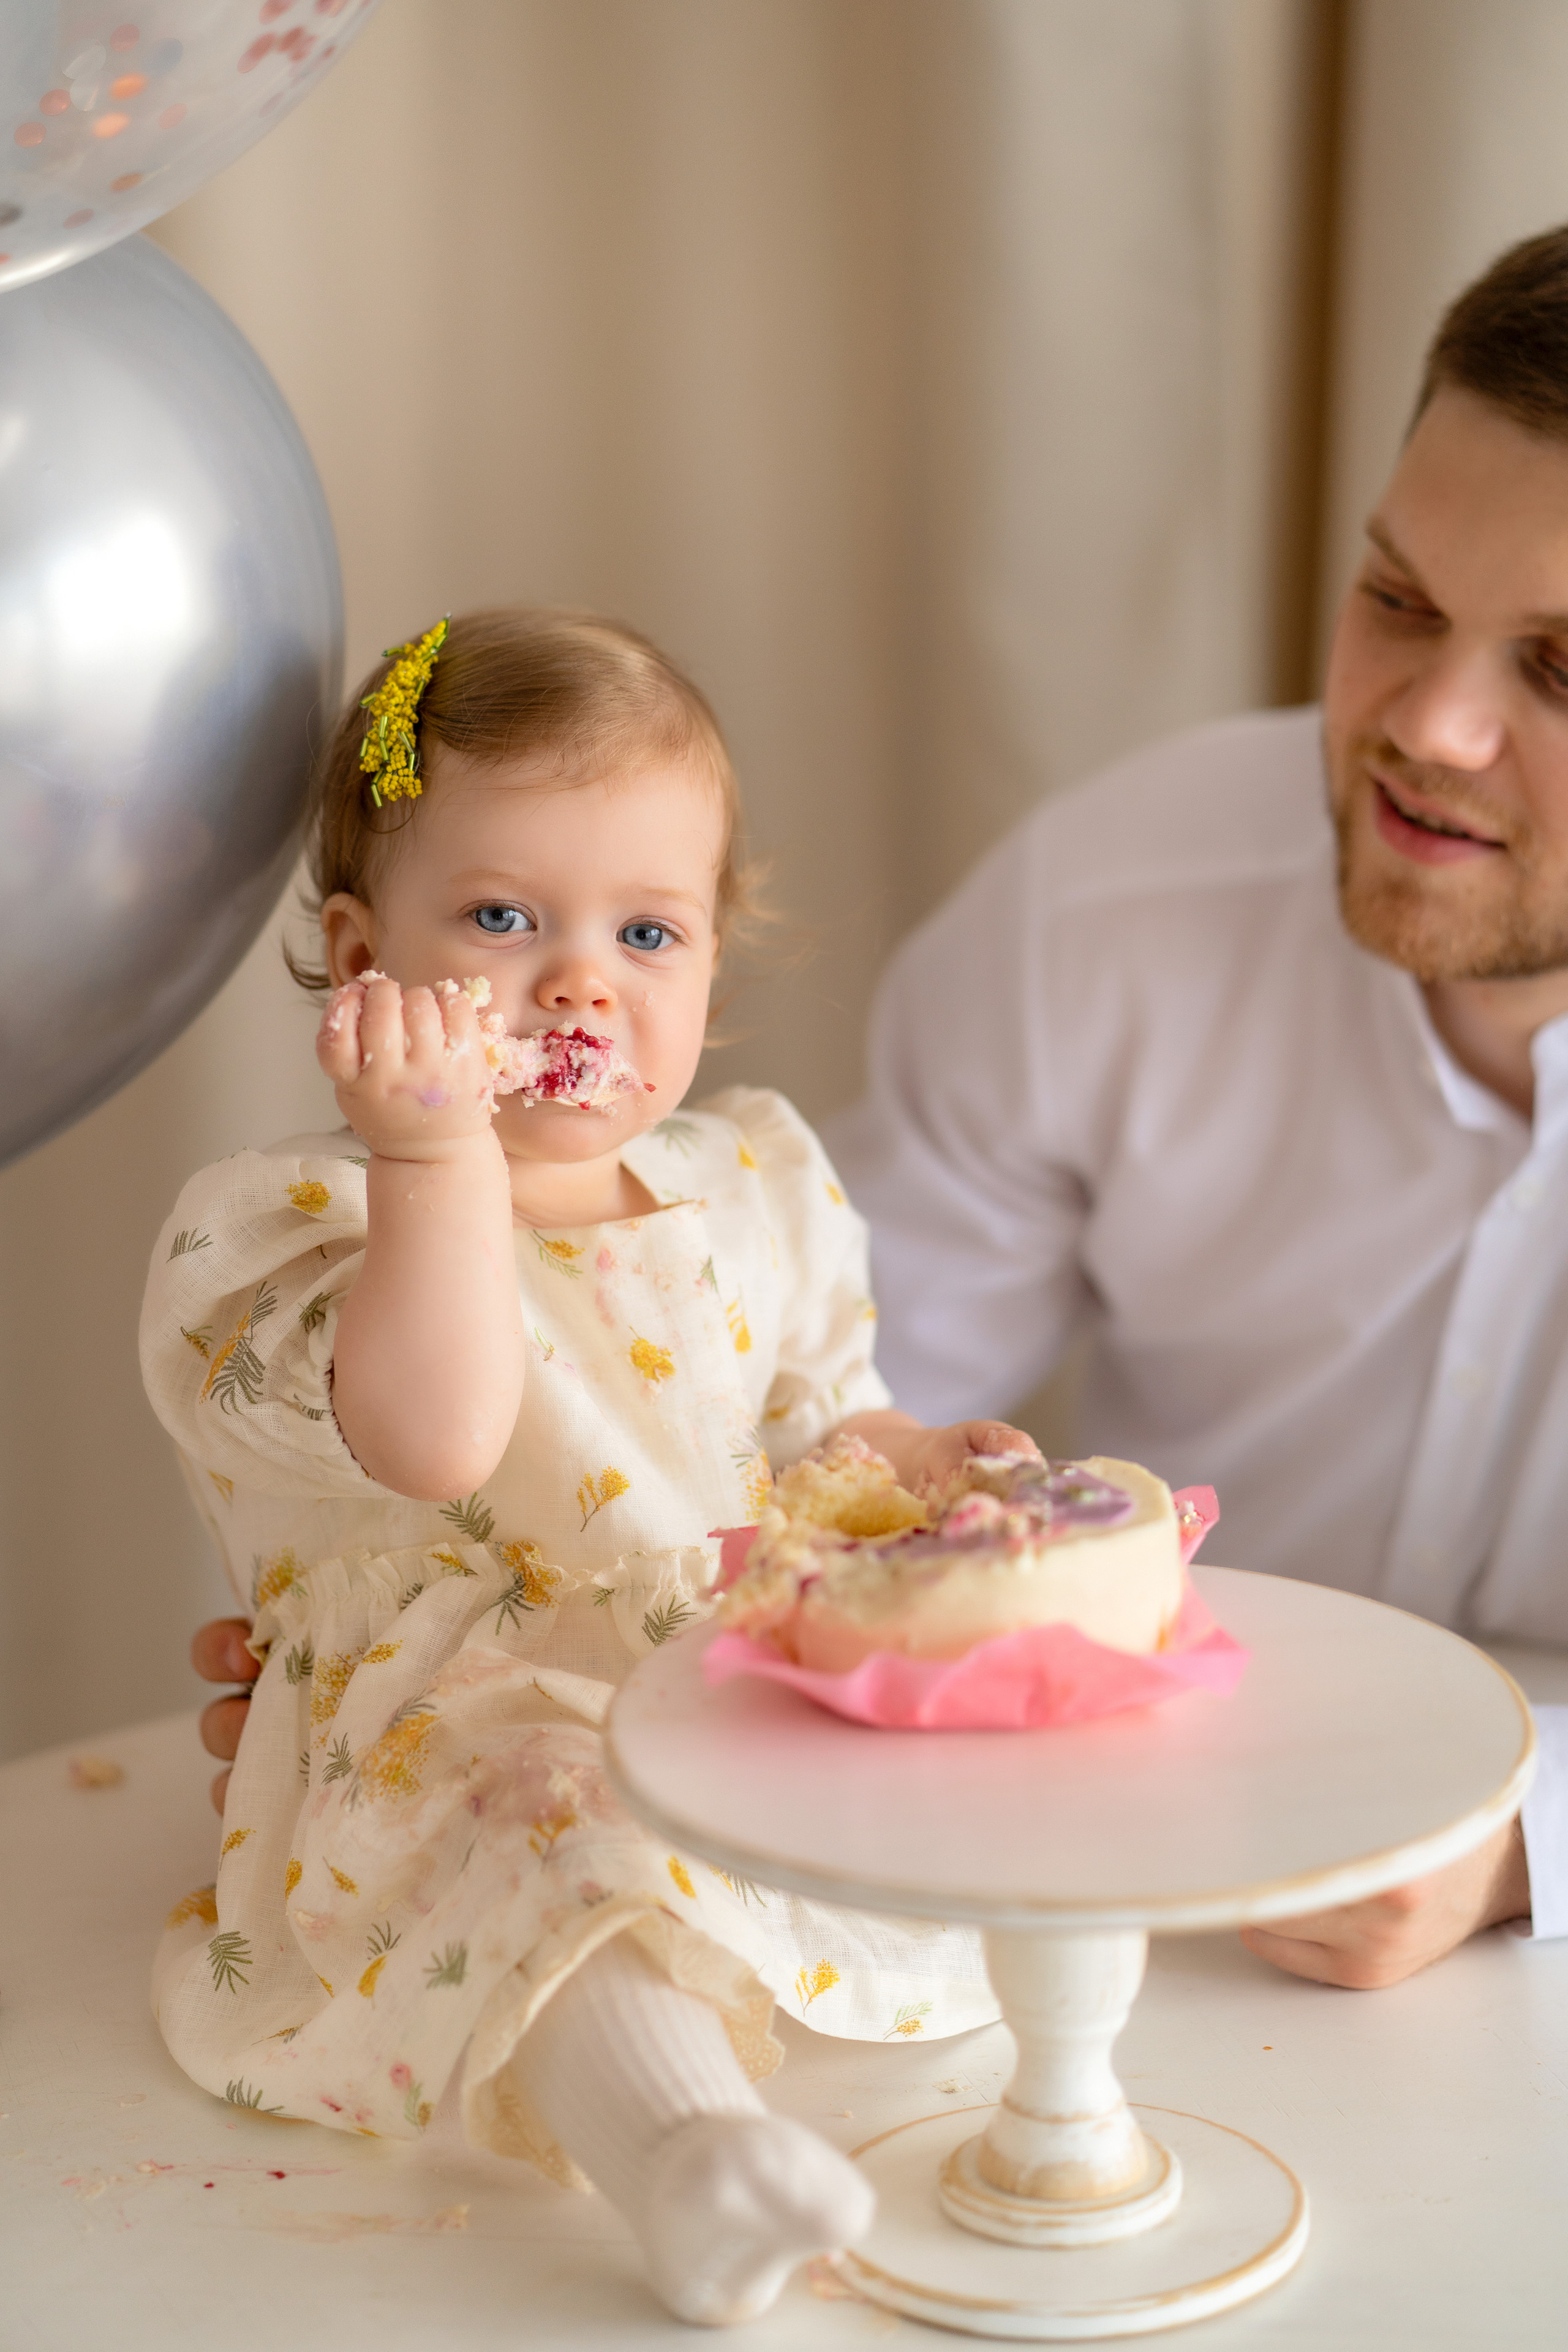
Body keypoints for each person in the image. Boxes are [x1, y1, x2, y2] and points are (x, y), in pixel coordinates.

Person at [143, 609, 1035, 2326]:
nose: (579, 982)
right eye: (501, 919)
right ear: (359, 953)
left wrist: (922, 1456)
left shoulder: (755, 1176)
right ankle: (688, 2153)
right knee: (550, 1816)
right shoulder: (290, 1223)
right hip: (452, 1713)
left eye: (646, 929)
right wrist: (431, 1154)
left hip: (712, 1661)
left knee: (912, 1799)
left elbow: (807, 1425)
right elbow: (440, 1430)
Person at [827, 224, 1568, 1992]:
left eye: (1566, 668)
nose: (1434, 728)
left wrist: (1521, 1845)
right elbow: (811, 1415)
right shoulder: (1105, 913)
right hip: (1133, 1913)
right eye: (1397, 601)